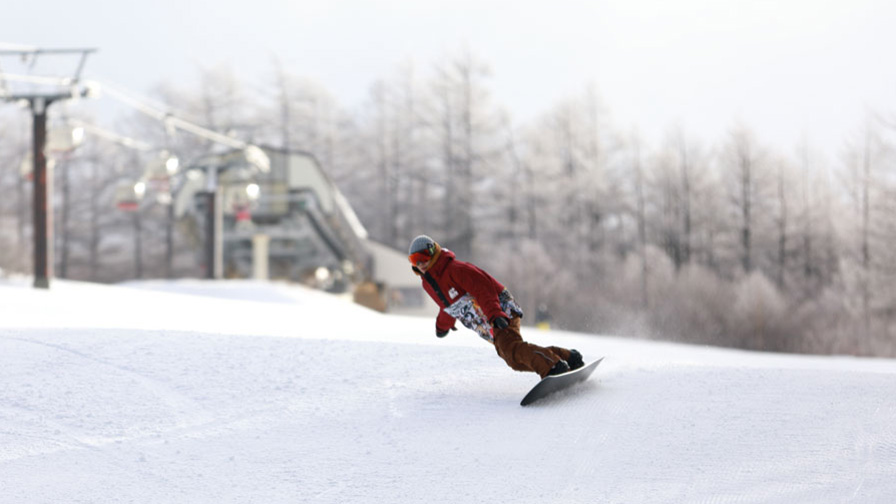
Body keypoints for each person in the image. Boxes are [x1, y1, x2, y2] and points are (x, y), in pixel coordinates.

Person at [408, 235, 583, 378]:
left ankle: (552, 367)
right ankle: (568, 358)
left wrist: (495, 314)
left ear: (433, 252)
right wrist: (442, 326)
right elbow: (447, 305)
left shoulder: (455, 269)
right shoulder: (429, 284)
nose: (420, 264)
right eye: (415, 260)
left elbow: (483, 288)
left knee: (512, 350)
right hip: (487, 325)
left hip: (499, 311)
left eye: (423, 257)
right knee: (514, 359)